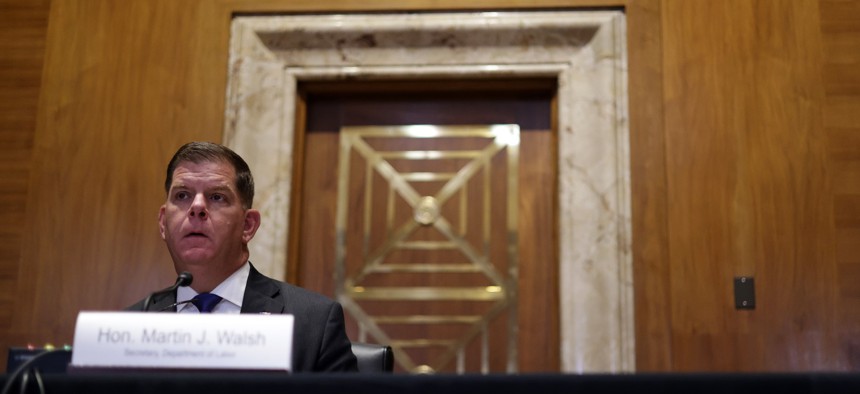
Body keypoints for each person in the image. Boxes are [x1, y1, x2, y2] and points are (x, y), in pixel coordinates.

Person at [127, 141, 358, 373]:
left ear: (248, 225)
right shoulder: (129, 328)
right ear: (163, 223)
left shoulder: (313, 323)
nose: (196, 207)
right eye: (182, 195)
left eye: (217, 197)